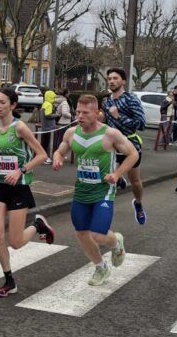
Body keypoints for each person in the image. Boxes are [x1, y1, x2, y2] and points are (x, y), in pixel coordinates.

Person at [0, 87, 56, 297]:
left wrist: (21, 171)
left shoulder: (20, 128)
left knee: (16, 242)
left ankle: (38, 224)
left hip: (18, 187)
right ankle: (9, 280)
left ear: (13, 105)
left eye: (2, 102)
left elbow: (41, 155)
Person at [52, 93, 138, 286]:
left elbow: (133, 154)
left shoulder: (110, 134)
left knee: (98, 235)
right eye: (78, 112)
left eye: (85, 112)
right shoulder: (71, 133)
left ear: (97, 113)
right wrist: (57, 158)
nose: (80, 116)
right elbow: (60, 149)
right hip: (81, 191)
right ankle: (101, 268)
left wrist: (116, 174)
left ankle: (116, 242)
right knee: (82, 233)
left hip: (103, 191)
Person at [101, 67, 147, 225]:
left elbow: (141, 124)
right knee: (108, 177)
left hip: (130, 145)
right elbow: (106, 124)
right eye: (109, 79)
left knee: (135, 181)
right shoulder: (106, 101)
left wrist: (118, 116)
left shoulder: (131, 99)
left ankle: (138, 203)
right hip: (111, 145)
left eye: (115, 78)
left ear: (123, 81)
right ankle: (104, 211)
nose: (112, 81)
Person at [39, 89, 57, 162]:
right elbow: (48, 115)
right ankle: (45, 158)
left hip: (44, 126)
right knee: (46, 143)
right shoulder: (49, 105)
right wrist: (56, 115)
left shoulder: (45, 103)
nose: (54, 99)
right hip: (48, 127)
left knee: (43, 142)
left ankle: (42, 157)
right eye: (53, 97)